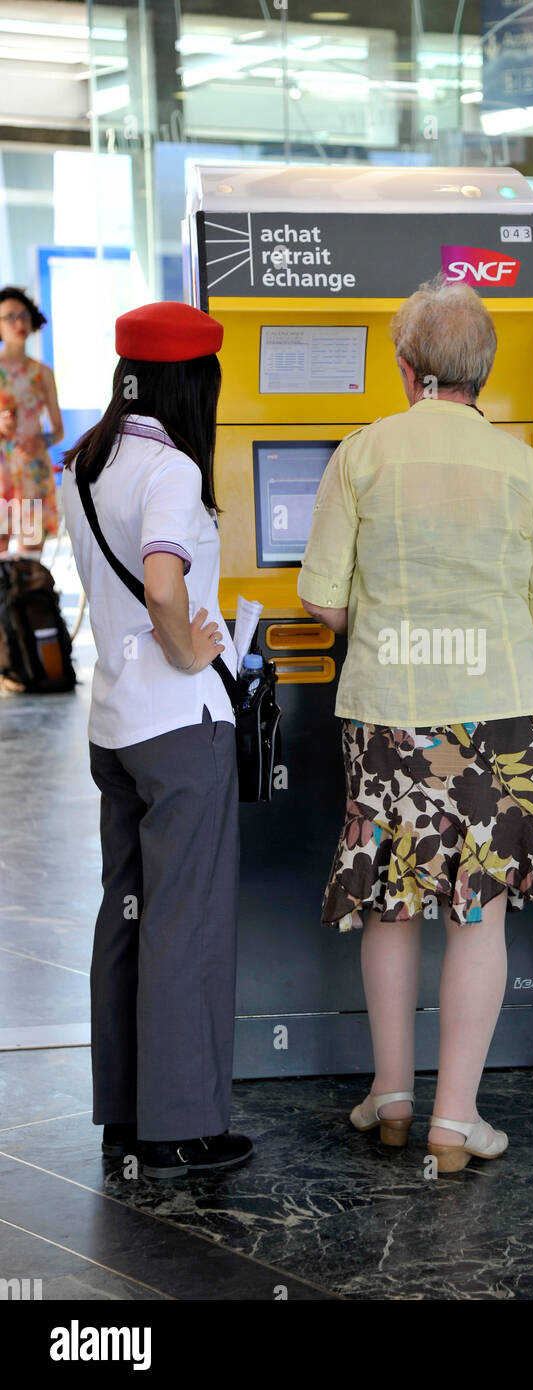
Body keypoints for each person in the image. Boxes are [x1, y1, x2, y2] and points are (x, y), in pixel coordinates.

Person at [298, 278, 533, 1174]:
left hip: (387, 713)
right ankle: (455, 1121)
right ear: (483, 372)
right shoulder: (527, 470)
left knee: (390, 899)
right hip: (498, 720)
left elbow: (321, 604)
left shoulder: (361, 454)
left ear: (405, 366)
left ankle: (390, 1094)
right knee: (477, 909)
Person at [62, 301, 252, 1181]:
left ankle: (127, 1119)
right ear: (192, 382)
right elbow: (166, 585)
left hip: (115, 729)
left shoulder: (86, 463)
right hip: (179, 730)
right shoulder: (169, 469)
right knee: (188, 924)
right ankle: (179, 1130)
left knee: (128, 918)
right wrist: (190, 650)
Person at [0, 286, 64, 556]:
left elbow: (58, 430)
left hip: (33, 474)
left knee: (31, 558)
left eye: (24, 315)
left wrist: (42, 441)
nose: (19, 323)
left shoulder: (42, 373)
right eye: (10, 317)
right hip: (1, 475)